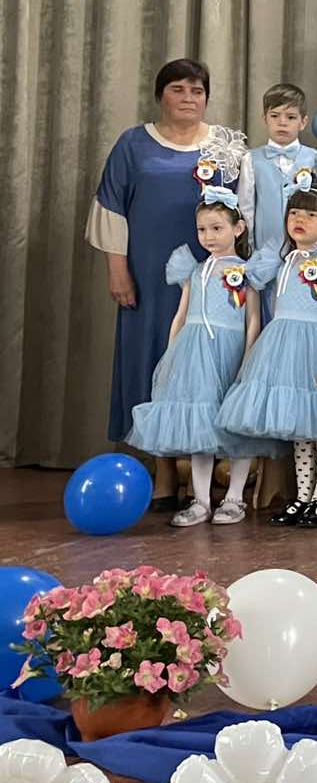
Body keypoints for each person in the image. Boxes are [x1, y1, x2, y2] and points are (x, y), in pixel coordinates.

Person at [87, 58, 252, 509]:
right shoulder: (133, 144)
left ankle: (206, 472)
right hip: (149, 276)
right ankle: (162, 470)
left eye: (197, 91)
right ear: (160, 95)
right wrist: (117, 269)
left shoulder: (225, 146)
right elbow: (111, 207)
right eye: (178, 89)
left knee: (209, 367)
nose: (188, 98)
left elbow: (247, 209)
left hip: (214, 282)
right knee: (153, 361)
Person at [216, 187, 317, 526]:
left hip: (316, 349)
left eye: (311, 215)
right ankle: (302, 497)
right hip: (283, 350)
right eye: (294, 212)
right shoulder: (282, 262)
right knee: (300, 430)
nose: (300, 219)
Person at [125, 189, 273, 526]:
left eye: (217, 228)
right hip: (193, 353)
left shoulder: (247, 271)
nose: (209, 236)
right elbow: (181, 315)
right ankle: (201, 500)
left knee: (238, 424)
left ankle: (234, 498)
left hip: (229, 350)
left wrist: (249, 357)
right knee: (199, 424)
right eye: (202, 229)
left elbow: (252, 318)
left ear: (238, 228)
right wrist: (172, 352)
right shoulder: (194, 270)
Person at [248, 84, 317, 284]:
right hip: (264, 249)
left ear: (303, 122)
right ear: (264, 119)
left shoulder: (316, 158)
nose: (282, 122)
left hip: (304, 253)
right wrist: (250, 249)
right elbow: (247, 208)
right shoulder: (251, 159)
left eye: (290, 117)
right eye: (275, 116)